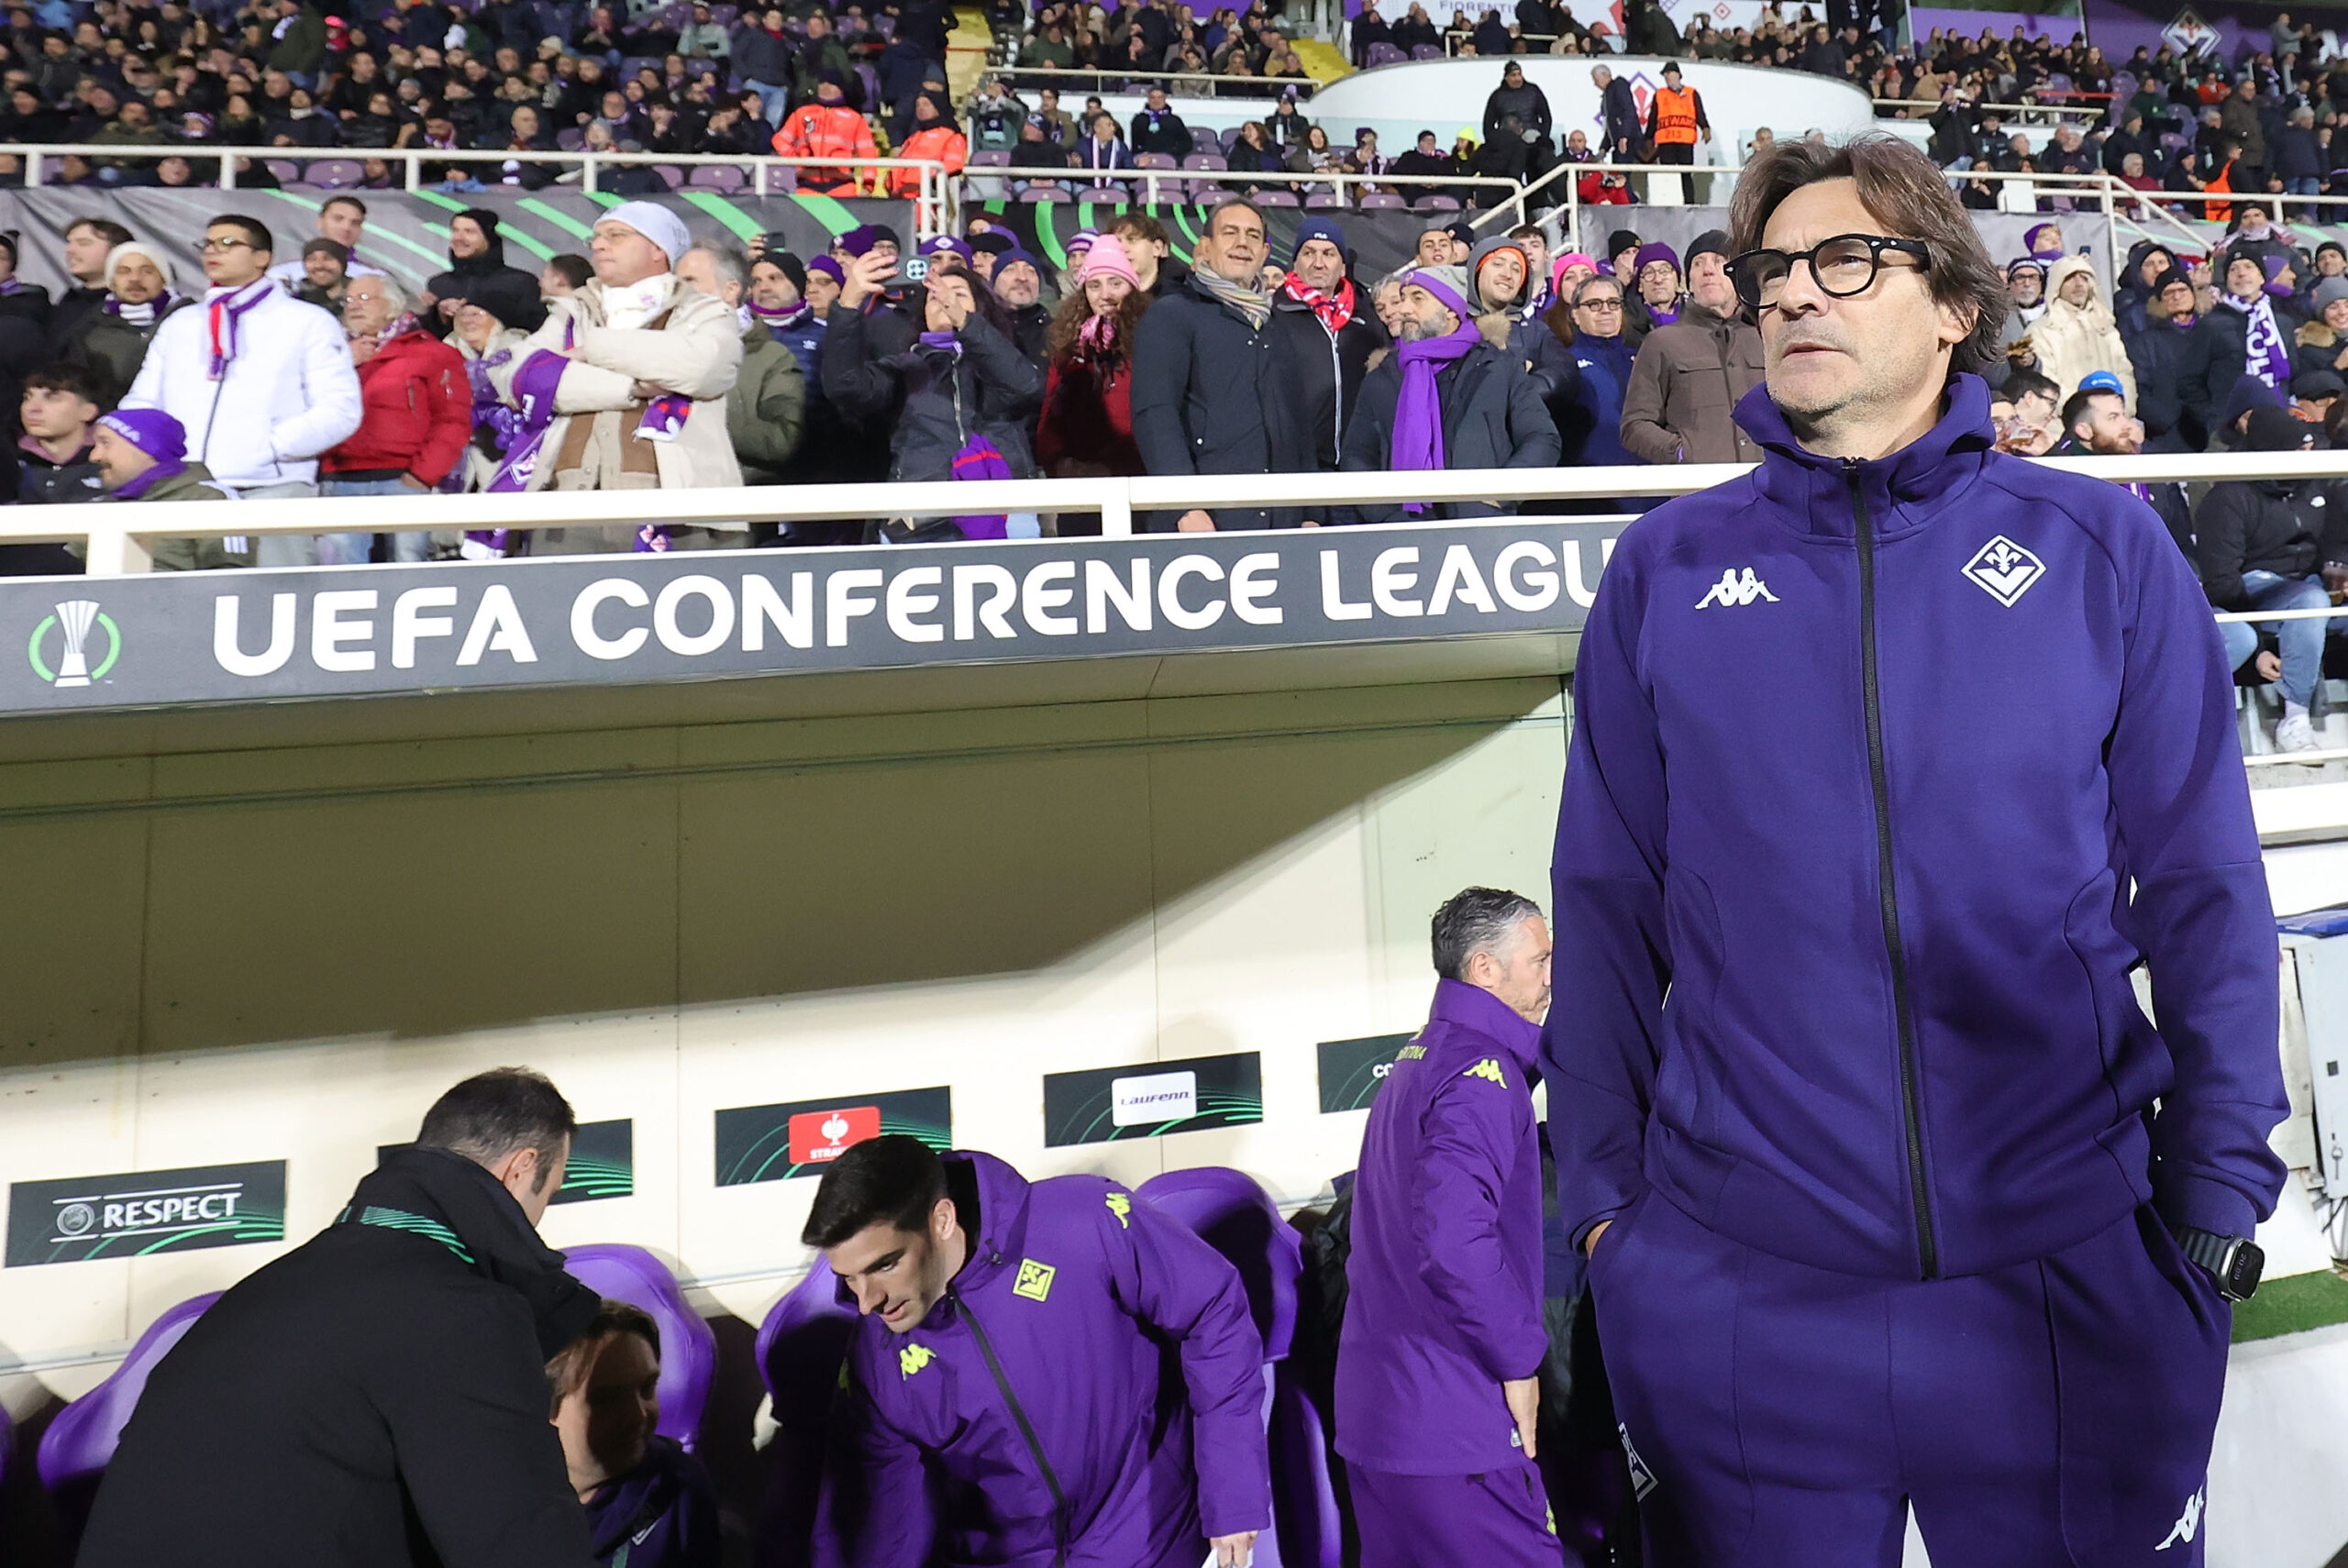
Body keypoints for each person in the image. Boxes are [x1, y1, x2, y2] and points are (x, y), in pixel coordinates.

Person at [1547, 134, 2287, 1564]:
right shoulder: (1665, 571)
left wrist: (2209, 1208)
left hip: (2069, 1285)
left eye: (1844, 261)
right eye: (1771, 269)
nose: (1790, 295)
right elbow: (1607, 903)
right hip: (1737, 1293)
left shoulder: (2101, 550)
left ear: (1954, 304)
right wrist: (1607, 1218)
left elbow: (2206, 894)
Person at [76, 1069, 602, 1568]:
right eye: (549, 1194)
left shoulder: (252, 1299)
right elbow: (523, 1547)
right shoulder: (464, 1313)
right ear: (520, 1170)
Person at [804, 1134, 1270, 1568]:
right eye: (848, 1278)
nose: (867, 1301)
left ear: (941, 1220)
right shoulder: (875, 1357)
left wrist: (1232, 1491)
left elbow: (1212, 1310)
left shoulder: (1083, 1222)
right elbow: (878, 1524)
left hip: (1158, 1539)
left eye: (885, 1265)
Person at [1336, 888, 1557, 1568]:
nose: (1552, 977)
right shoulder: (1481, 1078)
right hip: (1454, 1427)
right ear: (1484, 969)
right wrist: (1519, 1359)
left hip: (1385, 1420)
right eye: (1540, 960)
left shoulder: (1421, 1059)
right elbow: (1454, 1244)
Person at [483, 203, 746, 552]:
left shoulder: (705, 311)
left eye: (616, 235)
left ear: (658, 249)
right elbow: (522, 377)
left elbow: (701, 368)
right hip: (565, 507)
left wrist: (592, 348)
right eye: (596, 238)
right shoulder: (572, 312)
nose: (598, 245)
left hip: (677, 512)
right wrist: (632, 386)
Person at [118, 213, 362, 565]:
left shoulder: (307, 321)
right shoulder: (181, 323)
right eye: (208, 243)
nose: (213, 251)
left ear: (262, 257)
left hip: (271, 489)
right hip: (182, 490)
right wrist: (155, 458)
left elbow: (339, 409)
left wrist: (269, 447)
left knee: (273, 594)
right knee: (172, 594)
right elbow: (142, 403)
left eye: (228, 243)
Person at [1131, 199, 1315, 532]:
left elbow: (1298, 423)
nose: (1242, 243)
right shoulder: (1171, 314)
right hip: (1207, 521)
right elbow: (1155, 414)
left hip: (1284, 522)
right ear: (1205, 247)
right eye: (1230, 233)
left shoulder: (1277, 326)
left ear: (1264, 252)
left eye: (1253, 236)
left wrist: (1312, 511)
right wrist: (1184, 506)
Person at [823, 256, 1042, 532]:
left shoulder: (1002, 361)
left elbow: (1028, 387)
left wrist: (966, 323)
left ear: (980, 308)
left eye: (958, 294)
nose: (944, 300)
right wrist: (847, 306)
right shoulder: (904, 368)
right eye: (934, 296)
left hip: (1005, 509)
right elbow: (845, 387)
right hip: (921, 516)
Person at [1338, 263, 1558, 524]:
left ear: (1451, 309)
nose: (1404, 309)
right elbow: (1357, 455)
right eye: (1403, 298)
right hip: (1403, 533)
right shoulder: (1383, 377)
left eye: (1417, 298)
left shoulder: (1498, 367)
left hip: (1482, 528)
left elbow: (1541, 437)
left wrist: (1501, 494)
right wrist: (1387, 514)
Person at [2197, 403, 2331, 752]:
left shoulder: (2310, 484)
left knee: (2314, 595)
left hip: (2310, 579)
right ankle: (2296, 719)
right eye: (2298, 450)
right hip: (2254, 587)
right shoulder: (2229, 497)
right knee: (2311, 602)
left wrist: (2337, 566)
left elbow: (2332, 540)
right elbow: (2222, 584)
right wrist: (2257, 644)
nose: (2307, 456)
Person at [548, 1302, 721, 1568]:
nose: (637, 1416)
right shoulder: (494, 1504)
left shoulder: (677, 1487)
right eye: (607, 1399)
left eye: (647, 1388)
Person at [320, 273, 471, 565]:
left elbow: (453, 420)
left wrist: (422, 476)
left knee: (408, 572)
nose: (354, 305)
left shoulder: (432, 353)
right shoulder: (328, 354)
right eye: (349, 299)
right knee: (343, 577)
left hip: (404, 479)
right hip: (341, 478)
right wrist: (342, 362)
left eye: (365, 298)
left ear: (393, 305)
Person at [1618, 229, 1762, 465]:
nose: (1708, 270)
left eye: (1719, 261)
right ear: (1688, 281)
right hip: (1699, 485)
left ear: (1738, 275)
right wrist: (1681, 452)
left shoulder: (1764, 336)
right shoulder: (1661, 342)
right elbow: (1634, 425)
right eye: (1698, 263)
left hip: (1768, 481)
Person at [677, 239, 804, 486]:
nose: (679, 291)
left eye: (690, 281)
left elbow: (782, 442)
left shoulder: (772, 357)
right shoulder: (660, 347)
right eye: (676, 282)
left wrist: (702, 411)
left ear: (731, 290)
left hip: (741, 496)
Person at [1272, 215, 1386, 474]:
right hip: (1297, 464)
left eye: (1328, 254)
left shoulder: (1367, 317)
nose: (1318, 263)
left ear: (1343, 267)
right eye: (1308, 253)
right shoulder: (1274, 313)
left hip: (1360, 463)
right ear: (1295, 263)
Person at [1038, 234, 1151, 493]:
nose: (1105, 295)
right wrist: (1057, 463)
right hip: (1080, 482)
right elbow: (1049, 419)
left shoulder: (1151, 340)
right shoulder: (1068, 346)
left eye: (1115, 283)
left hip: (1139, 479)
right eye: (1094, 285)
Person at [2182, 248, 2301, 449]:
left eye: (2248, 267)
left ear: (2262, 277)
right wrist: (2215, 417)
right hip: (2228, 434)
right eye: (2233, 269)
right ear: (2227, 281)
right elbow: (2188, 381)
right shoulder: (2211, 325)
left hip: (2277, 428)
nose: (2241, 273)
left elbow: (2292, 373)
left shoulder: (2282, 323)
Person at [65, 239, 185, 405]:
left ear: (164, 279)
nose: (135, 279)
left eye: (147, 271)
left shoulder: (189, 322)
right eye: (124, 272)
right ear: (112, 282)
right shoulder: (88, 331)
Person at [2029, 255, 2136, 408]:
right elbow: (2046, 380)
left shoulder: (2105, 326)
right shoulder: (2041, 330)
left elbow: (2125, 374)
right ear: (2057, 285)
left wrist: (2120, 408)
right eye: (2070, 278)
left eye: (2084, 278)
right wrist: (2082, 411)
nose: (2079, 284)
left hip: (2114, 415)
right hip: (2064, 418)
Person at [425, 208, 540, 323]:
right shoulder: (438, 284)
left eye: (469, 231)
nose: (458, 238)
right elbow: (427, 332)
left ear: (489, 239)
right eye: (455, 230)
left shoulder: (521, 282)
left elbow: (537, 327)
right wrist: (440, 316)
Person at [16, 363, 105, 505]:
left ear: (87, 412)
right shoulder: (10, 464)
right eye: (27, 397)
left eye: (51, 398)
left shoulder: (112, 463)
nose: (32, 408)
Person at [47, 215, 132, 359]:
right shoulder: (69, 301)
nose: (69, 250)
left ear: (118, 251)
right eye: (69, 243)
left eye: (84, 243)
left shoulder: (134, 305)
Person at [266, 193, 386, 292]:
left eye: (355, 223)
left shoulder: (376, 277)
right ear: (320, 222)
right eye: (338, 219)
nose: (346, 227)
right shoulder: (283, 273)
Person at [1643, 61, 1709, 203]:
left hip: (1685, 140)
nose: (1667, 77)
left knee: (1686, 174)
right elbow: (1653, 117)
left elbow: (1699, 112)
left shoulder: (1691, 92)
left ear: (1678, 74)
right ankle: (1670, 203)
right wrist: (1648, 137)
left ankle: (1689, 204)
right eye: (1665, 74)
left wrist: (1705, 127)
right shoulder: (1660, 94)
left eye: (1669, 73)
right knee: (1668, 175)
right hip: (1666, 141)